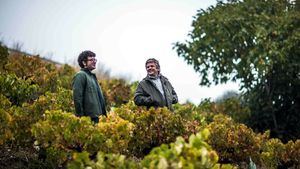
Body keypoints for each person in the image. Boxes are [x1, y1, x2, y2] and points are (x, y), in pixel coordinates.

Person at [72, 50, 106, 123]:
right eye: (91, 60)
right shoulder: (80, 75)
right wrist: (82, 119)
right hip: (89, 120)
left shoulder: (93, 77)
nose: (94, 61)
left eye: (95, 59)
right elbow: (77, 99)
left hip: (99, 119)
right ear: (84, 62)